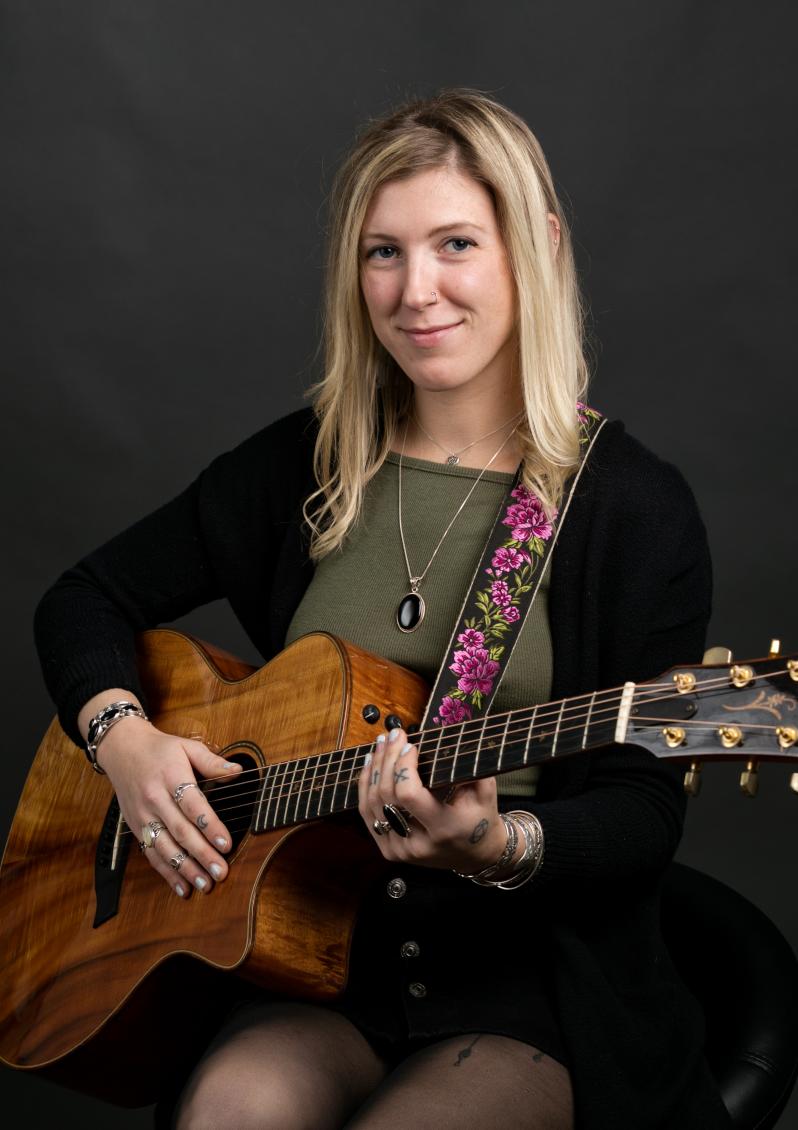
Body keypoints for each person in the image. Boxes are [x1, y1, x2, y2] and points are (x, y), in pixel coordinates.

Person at [33, 89, 732, 1129]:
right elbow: (83, 596)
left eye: (455, 242)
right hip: (321, 965)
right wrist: (123, 739)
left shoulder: (630, 507)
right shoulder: (312, 464)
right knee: (227, 1110)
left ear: (533, 246)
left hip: (528, 988)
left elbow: (643, 811)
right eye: (383, 253)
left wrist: (499, 845)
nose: (417, 291)